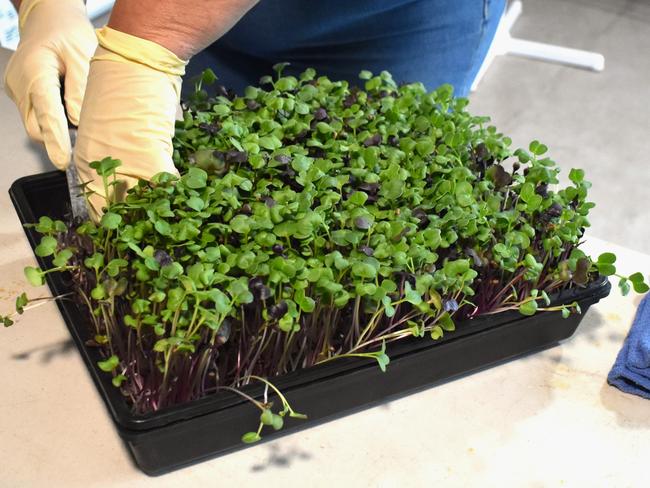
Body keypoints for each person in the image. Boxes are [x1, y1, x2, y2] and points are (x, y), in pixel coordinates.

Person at [3, 0, 504, 214]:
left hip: (394, 19)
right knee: (204, 165)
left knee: (382, 183)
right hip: (198, 19)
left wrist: (150, 44)